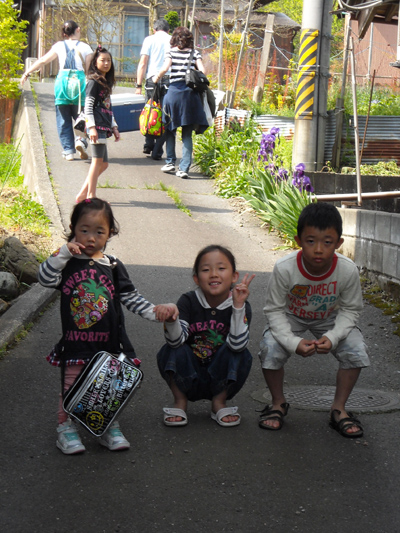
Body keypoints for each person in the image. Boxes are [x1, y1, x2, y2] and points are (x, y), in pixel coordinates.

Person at [38, 198, 178, 454]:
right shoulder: (67, 262)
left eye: (99, 231)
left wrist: (155, 312)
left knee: (107, 388)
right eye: (84, 230)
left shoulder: (113, 266)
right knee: (71, 387)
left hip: (110, 343)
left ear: (110, 233)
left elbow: (131, 298)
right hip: (76, 342)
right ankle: (65, 427)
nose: (91, 237)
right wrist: (63, 252)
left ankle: (106, 425)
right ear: (73, 228)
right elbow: (45, 278)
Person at [258, 202, 370, 438]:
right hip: (290, 315)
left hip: (330, 317)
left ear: (339, 243)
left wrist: (332, 336)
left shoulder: (347, 270)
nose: (318, 249)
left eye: (327, 242)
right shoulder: (285, 268)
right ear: (298, 240)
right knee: (270, 348)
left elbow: (351, 310)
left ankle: (338, 409)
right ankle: (277, 403)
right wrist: (291, 342)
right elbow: (274, 310)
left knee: (355, 349)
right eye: (311, 241)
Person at [157, 245, 255, 427]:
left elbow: (238, 346)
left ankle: (219, 402)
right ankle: (180, 401)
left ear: (234, 276)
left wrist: (238, 307)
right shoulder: (188, 301)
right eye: (205, 270)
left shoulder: (241, 305)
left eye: (221, 268)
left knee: (241, 353)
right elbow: (176, 341)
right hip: (189, 372)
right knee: (169, 350)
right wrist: (171, 320)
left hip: (220, 375)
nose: (214, 274)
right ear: (196, 278)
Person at [20, 20, 92, 161]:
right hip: (79, 84)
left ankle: (68, 151)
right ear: (77, 30)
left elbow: (42, 61)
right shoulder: (85, 47)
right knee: (82, 116)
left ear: (64, 33)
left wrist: (27, 72)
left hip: (62, 84)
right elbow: (90, 70)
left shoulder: (59, 46)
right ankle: (80, 141)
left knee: (63, 119)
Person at [152, 26, 209, 179]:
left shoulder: (171, 52)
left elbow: (165, 68)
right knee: (186, 134)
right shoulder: (195, 53)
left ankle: (170, 161)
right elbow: (203, 71)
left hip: (174, 94)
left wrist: (155, 78)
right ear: (190, 39)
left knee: (170, 130)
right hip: (190, 96)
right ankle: (184, 168)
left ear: (174, 39)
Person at [75, 47, 119, 203]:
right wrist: (91, 127)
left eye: (109, 60)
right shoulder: (94, 82)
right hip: (96, 126)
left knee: (104, 164)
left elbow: (108, 106)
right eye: (102, 60)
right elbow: (88, 106)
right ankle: (90, 196)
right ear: (95, 62)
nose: (106, 63)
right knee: (97, 161)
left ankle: (82, 195)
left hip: (103, 125)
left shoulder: (104, 82)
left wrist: (114, 127)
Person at [135, 19, 171, 160]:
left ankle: (148, 144)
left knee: (150, 111)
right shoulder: (172, 40)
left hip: (152, 79)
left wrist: (138, 85)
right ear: (168, 30)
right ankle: (157, 150)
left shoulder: (149, 39)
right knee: (164, 116)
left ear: (154, 29)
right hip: (168, 80)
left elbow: (143, 63)